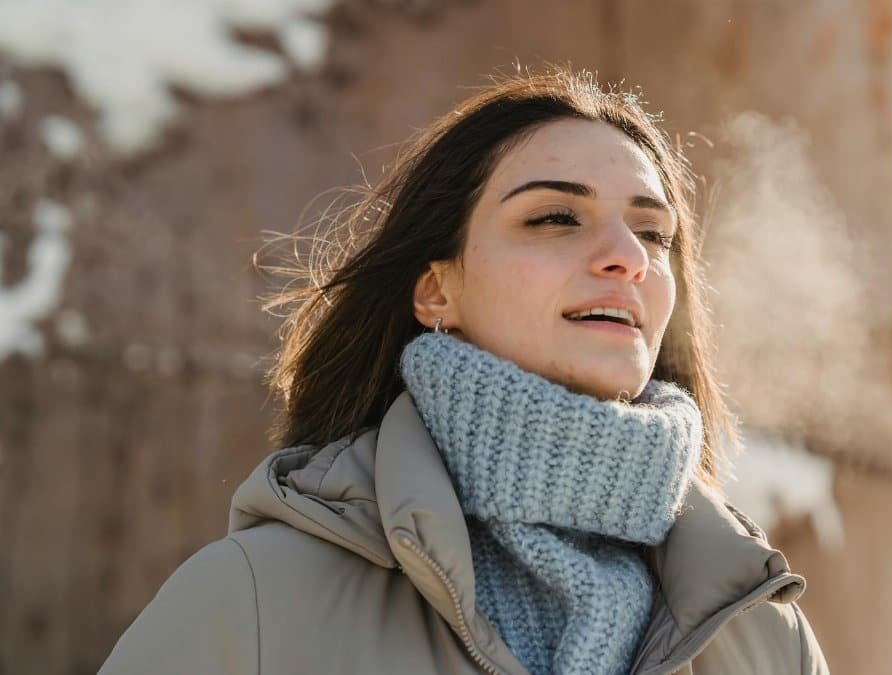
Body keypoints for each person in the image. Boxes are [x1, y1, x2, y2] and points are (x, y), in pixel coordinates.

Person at [99, 66, 829, 675]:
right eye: (554, 218)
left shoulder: (766, 639)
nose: (628, 257)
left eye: (653, 231)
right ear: (437, 288)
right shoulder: (256, 601)